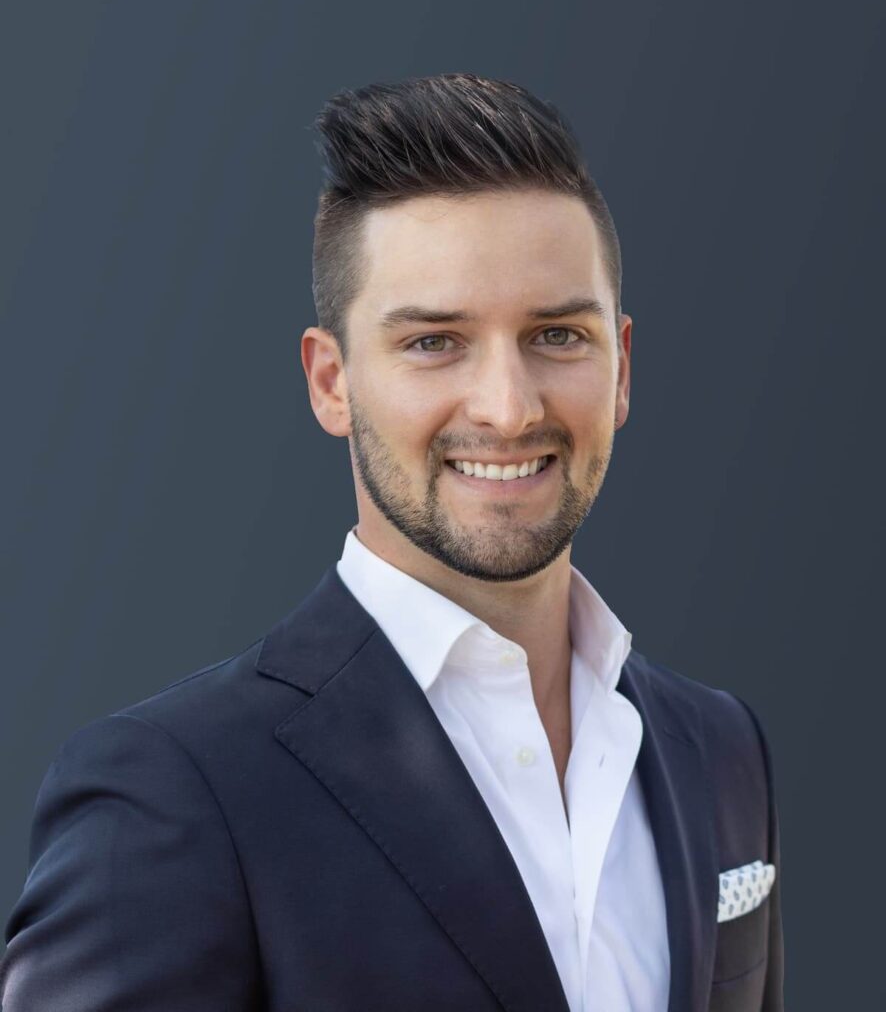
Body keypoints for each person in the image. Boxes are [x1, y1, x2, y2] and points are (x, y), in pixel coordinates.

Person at [1, 73, 783, 1012]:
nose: (508, 405)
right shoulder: (172, 793)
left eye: (557, 335)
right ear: (331, 382)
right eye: (433, 343)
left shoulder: (722, 748)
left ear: (621, 369)